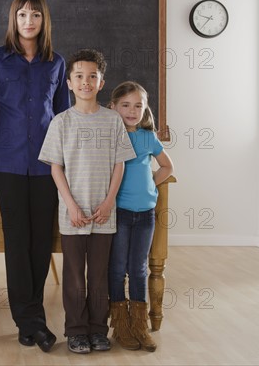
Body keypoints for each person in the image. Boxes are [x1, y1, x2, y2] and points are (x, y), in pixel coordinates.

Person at [0, 0, 70, 353]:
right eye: (22, 15)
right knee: (17, 241)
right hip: (7, 163)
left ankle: (29, 318)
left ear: (44, 20)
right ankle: (32, 321)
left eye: (35, 15)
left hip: (48, 165)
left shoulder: (57, 63)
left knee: (40, 242)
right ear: (13, 20)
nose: (28, 21)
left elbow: (64, 118)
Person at [38, 49, 136, 355]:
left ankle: (97, 329)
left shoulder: (112, 121)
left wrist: (108, 202)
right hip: (73, 214)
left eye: (92, 76)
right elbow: (55, 166)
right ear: (68, 82)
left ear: (101, 81)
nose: (85, 82)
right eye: (79, 76)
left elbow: (119, 164)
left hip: (104, 214)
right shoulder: (61, 122)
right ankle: (76, 330)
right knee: (74, 277)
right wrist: (71, 204)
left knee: (98, 275)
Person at [107, 81, 174, 352]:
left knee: (138, 269)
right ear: (113, 107)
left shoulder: (148, 137)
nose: (132, 111)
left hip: (145, 214)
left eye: (138, 105)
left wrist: (150, 184)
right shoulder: (111, 135)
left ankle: (140, 325)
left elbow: (167, 167)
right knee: (117, 268)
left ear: (145, 109)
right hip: (120, 213)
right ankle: (121, 325)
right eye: (125, 105)